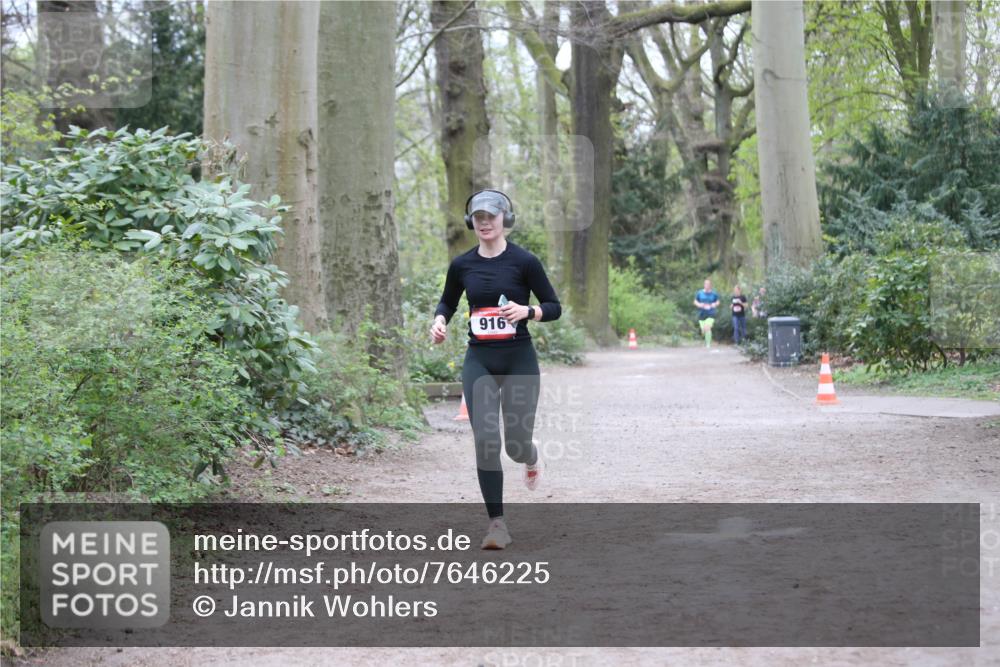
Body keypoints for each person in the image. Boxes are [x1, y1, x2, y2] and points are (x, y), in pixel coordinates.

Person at [430, 189, 562, 550]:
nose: (485, 222)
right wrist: (439, 321)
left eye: (491, 216)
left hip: (519, 361)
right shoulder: (462, 265)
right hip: (480, 361)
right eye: (479, 217)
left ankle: (531, 455)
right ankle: (497, 524)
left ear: (505, 218)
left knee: (516, 445)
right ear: (471, 221)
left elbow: (554, 306)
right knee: (486, 441)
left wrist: (528, 312)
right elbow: (448, 300)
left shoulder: (525, 262)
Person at [693, 278, 720, 348]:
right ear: (704, 285)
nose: (707, 285)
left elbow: (718, 301)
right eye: (705, 284)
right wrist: (699, 305)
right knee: (703, 330)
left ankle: (708, 344)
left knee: (708, 327)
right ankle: (705, 336)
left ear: (710, 285)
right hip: (702, 313)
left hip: (711, 313)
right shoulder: (700, 293)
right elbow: (695, 301)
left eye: (708, 284)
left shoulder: (714, 293)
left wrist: (715, 304)